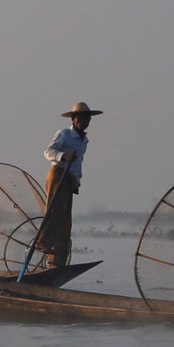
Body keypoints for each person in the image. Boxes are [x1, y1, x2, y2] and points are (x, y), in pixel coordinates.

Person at [29, 102, 100, 269]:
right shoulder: (65, 134)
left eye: (86, 118)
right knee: (55, 211)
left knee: (65, 220)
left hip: (70, 180)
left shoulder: (84, 140)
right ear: (74, 119)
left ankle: (56, 261)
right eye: (80, 118)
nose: (83, 121)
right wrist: (64, 156)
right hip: (58, 174)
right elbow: (48, 151)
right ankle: (42, 242)